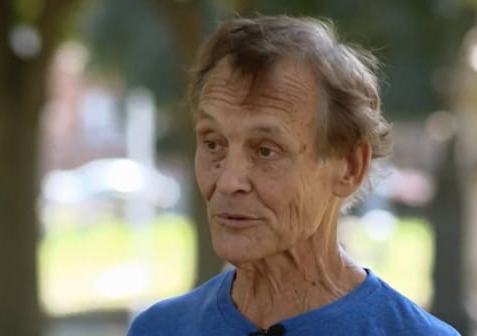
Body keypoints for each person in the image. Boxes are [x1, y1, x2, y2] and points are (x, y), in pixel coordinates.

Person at [128, 16, 459, 335]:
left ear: (349, 167)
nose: (229, 182)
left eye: (265, 151)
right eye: (213, 144)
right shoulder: (158, 329)